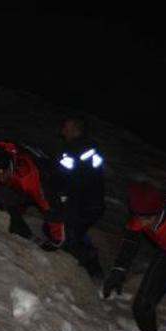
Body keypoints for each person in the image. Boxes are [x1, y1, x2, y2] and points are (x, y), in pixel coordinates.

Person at [100, 181, 166, 331]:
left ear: (159, 212)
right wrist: (119, 270)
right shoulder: (140, 215)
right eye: (138, 217)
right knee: (141, 307)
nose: (142, 223)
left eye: (146, 219)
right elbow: (130, 241)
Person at [57, 117, 107, 281]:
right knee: (77, 233)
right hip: (93, 202)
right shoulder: (89, 147)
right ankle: (94, 270)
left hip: (82, 202)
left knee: (71, 235)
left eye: (66, 126)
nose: (62, 129)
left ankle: (88, 271)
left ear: (74, 129)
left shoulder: (75, 149)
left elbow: (70, 176)